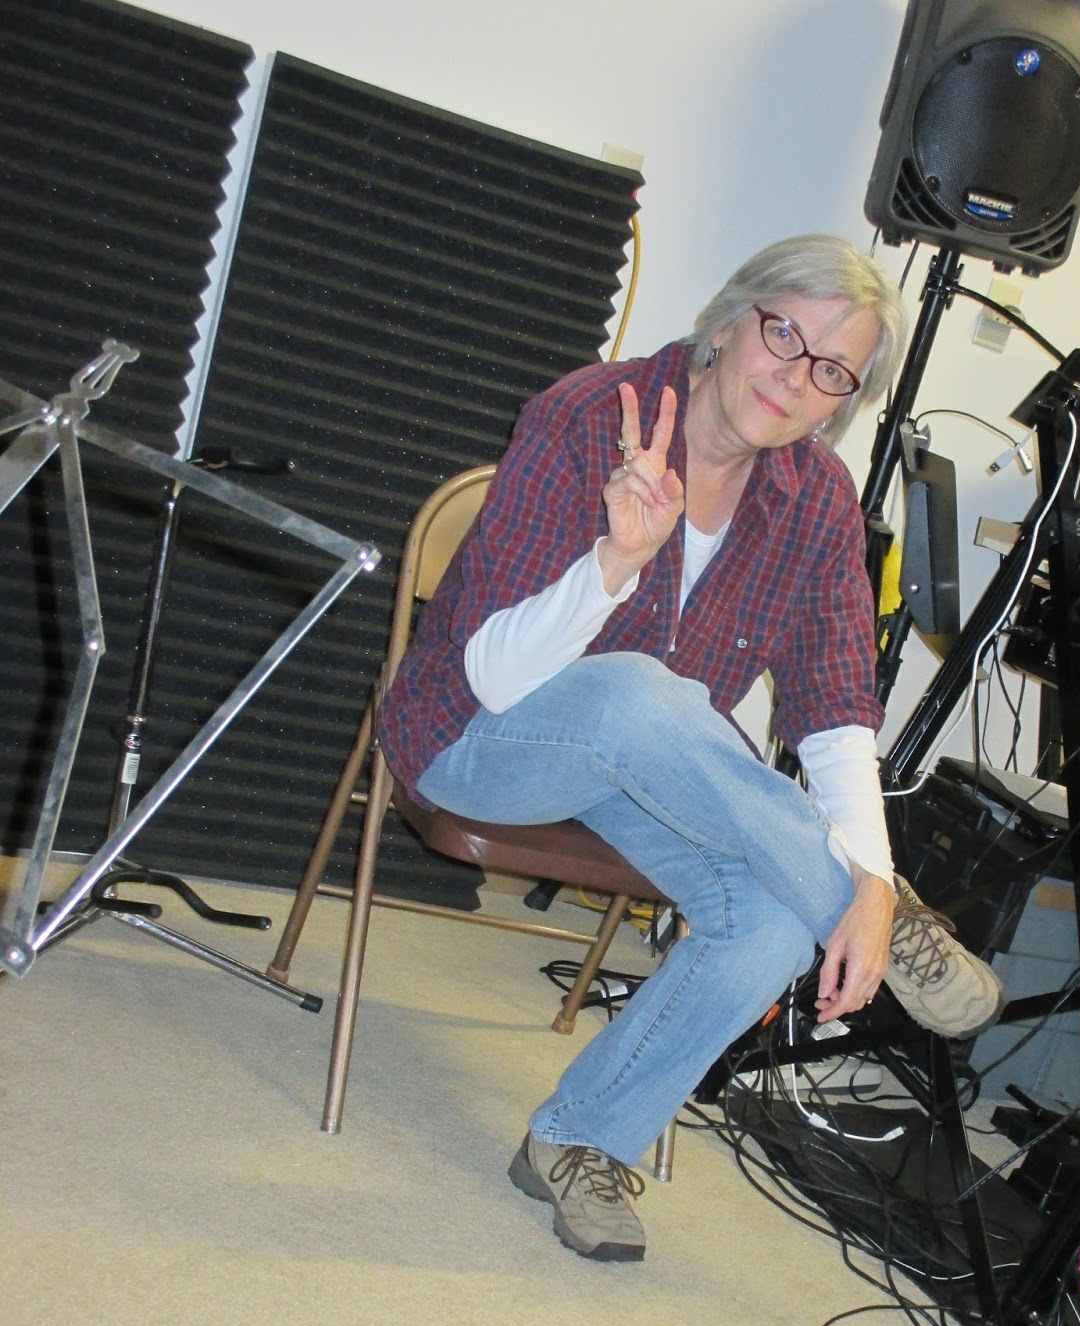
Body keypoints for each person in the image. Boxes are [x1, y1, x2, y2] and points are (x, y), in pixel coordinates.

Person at [380, 234, 1001, 1263]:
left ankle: (577, 1140)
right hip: (475, 735)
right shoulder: (591, 415)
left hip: (631, 768)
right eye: (784, 335)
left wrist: (871, 874)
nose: (795, 377)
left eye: (832, 371)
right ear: (728, 320)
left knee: (774, 919)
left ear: (841, 405)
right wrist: (613, 561)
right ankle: (864, 902)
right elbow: (488, 673)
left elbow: (835, 707)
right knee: (634, 693)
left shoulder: (816, 500)